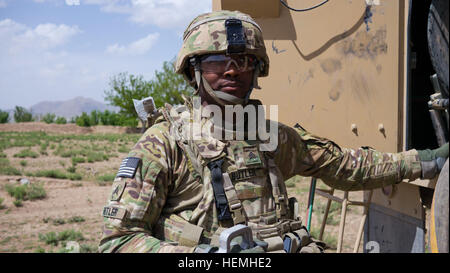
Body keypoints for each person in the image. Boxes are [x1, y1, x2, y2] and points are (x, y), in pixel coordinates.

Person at [98, 10, 449, 253]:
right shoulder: (164, 143)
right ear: (194, 71)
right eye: (217, 61)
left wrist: (426, 160)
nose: (233, 71)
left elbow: (345, 167)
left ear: (257, 70)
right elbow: (119, 241)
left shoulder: (271, 137)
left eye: (244, 61)